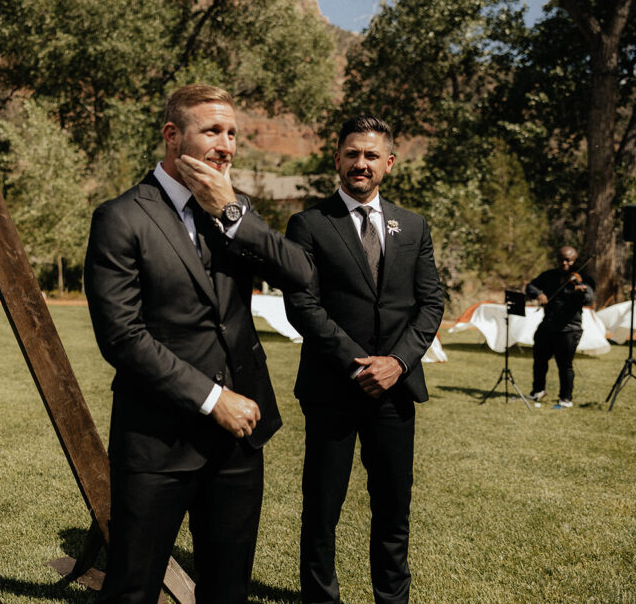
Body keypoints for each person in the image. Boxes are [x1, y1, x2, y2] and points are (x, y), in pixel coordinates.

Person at [84, 84, 314, 603]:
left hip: (238, 443)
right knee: (133, 589)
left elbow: (302, 275)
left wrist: (232, 212)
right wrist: (214, 400)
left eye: (232, 133)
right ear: (172, 135)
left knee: (227, 591)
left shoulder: (235, 211)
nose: (226, 145)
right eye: (213, 130)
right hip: (156, 442)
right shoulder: (121, 218)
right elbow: (122, 337)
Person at [283, 115, 444, 604]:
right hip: (333, 388)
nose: (361, 163)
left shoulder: (413, 226)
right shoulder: (309, 224)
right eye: (352, 153)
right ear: (337, 159)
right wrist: (360, 364)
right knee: (322, 509)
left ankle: (392, 599)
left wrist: (396, 363)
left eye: (371, 155)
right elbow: (302, 305)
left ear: (389, 163)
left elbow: (431, 302)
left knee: (394, 508)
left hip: (396, 392)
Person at [524, 246, 595, 408]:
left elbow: (589, 296)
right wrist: (539, 294)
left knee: (565, 365)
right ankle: (538, 390)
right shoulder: (549, 275)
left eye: (568, 260)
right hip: (548, 324)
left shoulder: (583, 278)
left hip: (569, 328)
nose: (564, 263)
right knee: (540, 360)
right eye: (562, 259)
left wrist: (581, 291)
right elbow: (530, 287)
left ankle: (565, 398)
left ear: (574, 260)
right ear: (557, 259)